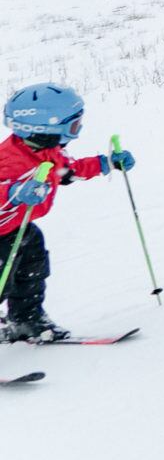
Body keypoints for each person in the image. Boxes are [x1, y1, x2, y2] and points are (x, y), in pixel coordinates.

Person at [1, 84, 136, 343]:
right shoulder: (10, 160)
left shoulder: (46, 151)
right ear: (44, 128)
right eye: (74, 125)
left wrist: (106, 163)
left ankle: (26, 319)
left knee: (32, 271)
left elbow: (68, 171)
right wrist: (13, 192)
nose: (78, 131)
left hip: (18, 228)